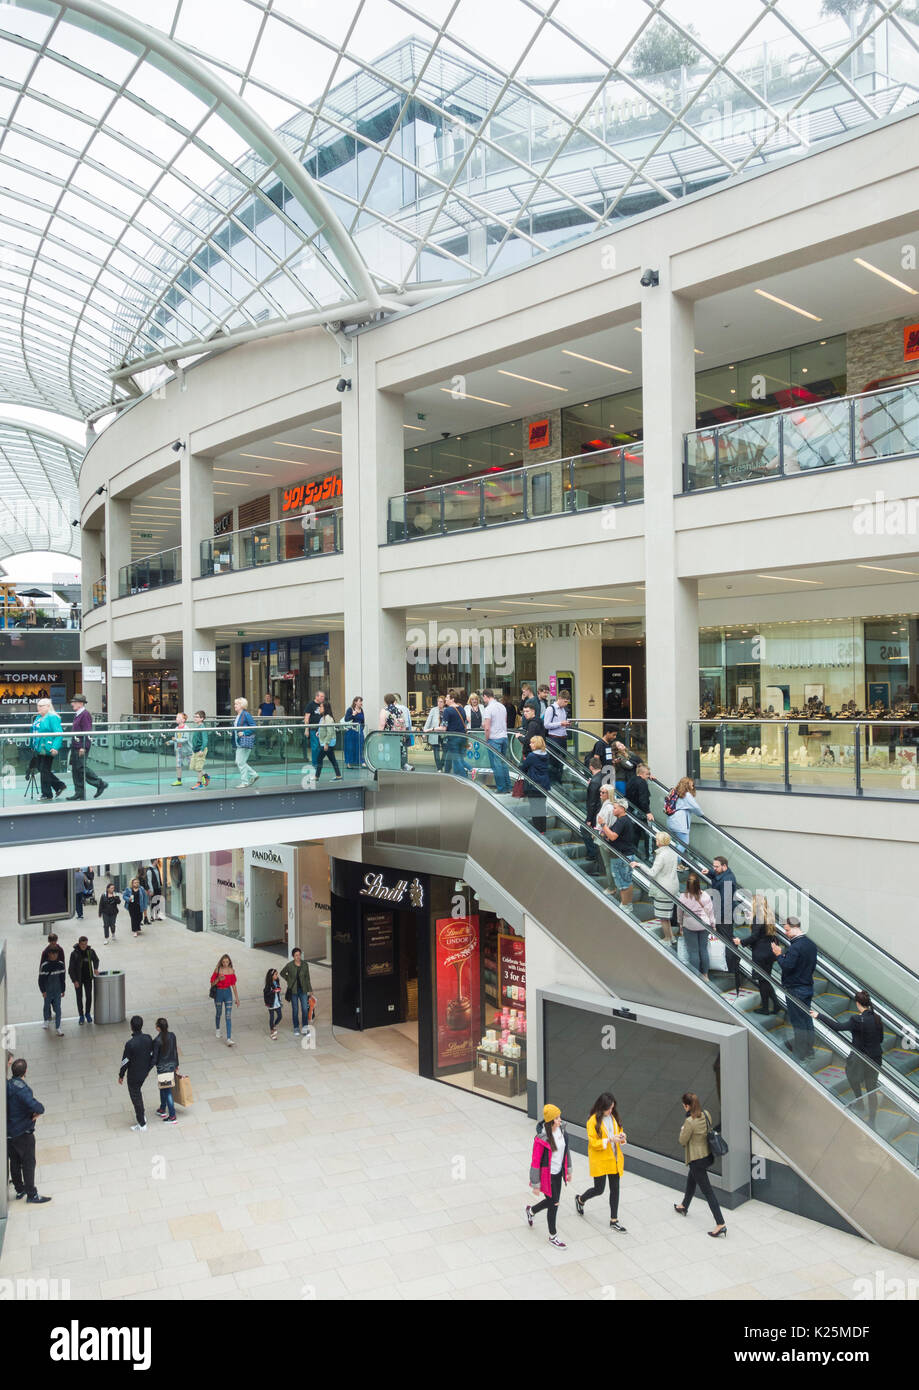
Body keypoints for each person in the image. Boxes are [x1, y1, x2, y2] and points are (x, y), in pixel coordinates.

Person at [815, 989, 883, 1126]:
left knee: (851, 1075)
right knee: (871, 1090)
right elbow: (880, 1039)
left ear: (857, 1003)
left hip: (861, 1058)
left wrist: (819, 1015)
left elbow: (837, 1026)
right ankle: (872, 1121)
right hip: (876, 1059)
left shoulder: (856, 1020)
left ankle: (859, 1103)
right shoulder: (877, 1018)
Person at [674, 1091, 726, 1237]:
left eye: (684, 1106)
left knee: (708, 1192)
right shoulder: (706, 1113)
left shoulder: (690, 1122)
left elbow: (682, 1141)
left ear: (687, 1106)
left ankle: (720, 1223)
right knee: (692, 1180)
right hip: (707, 1156)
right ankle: (684, 1206)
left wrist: (682, 1130)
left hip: (696, 1159)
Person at [574, 1092, 628, 1232]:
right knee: (599, 1189)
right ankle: (580, 1199)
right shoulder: (592, 1121)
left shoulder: (613, 1117)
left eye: (612, 1108)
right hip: (601, 1160)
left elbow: (619, 1131)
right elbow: (593, 1143)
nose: (611, 1111)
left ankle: (614, 1219)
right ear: (601, 1107)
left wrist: (622, 1136)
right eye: (609, 1108)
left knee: (615, 1189)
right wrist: (610, 1140)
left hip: (614, 1159)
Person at [773, 917, 818, 1060]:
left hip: (795, 989)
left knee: (798, 1023)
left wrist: (779, 955)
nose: (785, 933)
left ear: (795, 927)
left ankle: (799, 1053)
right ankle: (809, 1049)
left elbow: (787, 966)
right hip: (807, 987)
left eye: (787, 930)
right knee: (807, 1020)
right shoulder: (811, 944)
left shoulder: (795, 947)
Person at [6, 1058, 51, 1203]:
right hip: (23, 1132)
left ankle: (20, 1189)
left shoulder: (7, 1085)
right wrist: (37, 1112)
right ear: (25, 1071)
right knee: (28, 1163)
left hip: (9, 1132)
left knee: (14, 1161)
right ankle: (32, 1194)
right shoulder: (22, 1089)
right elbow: (37, 1107)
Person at [526, 1103, 571, 1248]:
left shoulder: (562, 1131)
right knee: (554, 1204)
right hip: (548, 1176)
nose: (560, 1120)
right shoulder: (541, 1139)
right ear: (551, 1121)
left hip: (558, 1173)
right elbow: (535, 1162)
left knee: (552, 1202)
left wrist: (568, 1170)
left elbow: (566, 1152)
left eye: (559, 1117)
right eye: (557, 1118)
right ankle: (553, 1236)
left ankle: (531, 1211)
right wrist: (535, 1184)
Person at [596, 791, 639, 905]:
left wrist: (603, 825)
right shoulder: (625, 821)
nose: (613, 810)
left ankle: (625, 905)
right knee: (627, 882)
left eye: (615, 808)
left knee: (623, 884)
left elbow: (613, 836)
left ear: (622, 808)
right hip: (626, 854)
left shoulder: (622, 821)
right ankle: (627, 905)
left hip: (621, 856)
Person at [709, 856, 742, 994]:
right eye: (713, 866)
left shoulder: (728, 880)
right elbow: (717, 878)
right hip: (725, 914)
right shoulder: (724, 875)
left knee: (727, 939)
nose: (714, 868)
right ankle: (733, 962)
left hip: (724, 915)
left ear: (724, 866)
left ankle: (732, 964)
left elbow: (725, 902)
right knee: (727, 937)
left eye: (716, 867)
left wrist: (716, 918)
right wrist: (709, 873)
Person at [66, 694, 107, 800]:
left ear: (80, 704)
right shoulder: (79, 714)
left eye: (74, 702)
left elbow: (87, 732)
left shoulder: (85, 714)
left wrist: (83, 747)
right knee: (76, 769)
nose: (72, 704)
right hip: (76, 745)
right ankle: (79, 792)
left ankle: (100, 783)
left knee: (80, 767)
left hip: (81, 746)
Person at [677, 871, 716, 979]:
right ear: (698, 884)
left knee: (693, 951)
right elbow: (710, 912)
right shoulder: (705, 896)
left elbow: (679, 913)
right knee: (703, 950)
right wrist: (713, 925)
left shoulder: (683, 897)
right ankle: (705, 975)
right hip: (704, 925)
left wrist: (681, 924)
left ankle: (696, 976)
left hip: (689, 926)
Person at [118, 1015, 154, 1131]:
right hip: (144, 1072)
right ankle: (141, 1115)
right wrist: (148, 1068)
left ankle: (142, 1123)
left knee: (135, 1097)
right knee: (137, 1093)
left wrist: (121, 1075)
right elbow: (151, 1054)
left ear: (131, 1027)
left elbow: (125, 1061)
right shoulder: (148, 1038)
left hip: (134, 1075)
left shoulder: (130, 1044)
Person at [747, 895, 780, 1015]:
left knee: (762, 982)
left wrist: (741, 942)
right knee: (765, 980)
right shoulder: (769, 916)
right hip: (769, 953)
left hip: (760, 954)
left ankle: (765, 1008)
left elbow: (754, 936)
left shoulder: (758, 918)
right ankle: (776, 1005)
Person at [647, 831, 680, 944]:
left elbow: (652, 873)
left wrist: (639, 865)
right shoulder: (673, 852)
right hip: (673, 887)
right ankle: (672, 937)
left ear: (660, 842)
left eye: (657, 839)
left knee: (663, 917)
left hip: (663, 889)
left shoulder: (661, 855)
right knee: (666, 916)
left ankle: (667, 938)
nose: (656, 841)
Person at [30, 696, 65, 800]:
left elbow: (59, 733)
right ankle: (58, 786)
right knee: (42, 769)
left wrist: (55, 747)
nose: (39, 708)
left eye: (41, 706)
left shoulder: (52, 717)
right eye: (38, 706)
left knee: (44, 770)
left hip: (48, 747)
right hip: (39, 747)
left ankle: (47, 794)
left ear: (48, 706)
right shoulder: (38, 717)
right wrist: (32, 745)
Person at [280, 947, 316, 1039]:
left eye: (299, 955)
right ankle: (296, 1027)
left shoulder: (305, 965)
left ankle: (305, 1028)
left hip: (303, 990)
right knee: (295, 1009)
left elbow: (307, 978)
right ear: (293, 956)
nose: (298, 957)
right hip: (293, 991)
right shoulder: (289, 965)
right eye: (296, 955)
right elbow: (282, 973)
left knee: (304, 1009)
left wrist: (310, 989)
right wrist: (289, 980)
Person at [519, 734, 551, 833]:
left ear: (536, 744)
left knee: (534, 808)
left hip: (534, 785)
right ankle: (543, 829)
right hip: (544, 784)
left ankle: (537, 830)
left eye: (532, 742)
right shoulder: (546, 754)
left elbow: (523, 768)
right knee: (541, 807)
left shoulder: (532, 756)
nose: (530, 744)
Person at [482, 688, 511, 794]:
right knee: (503, 763)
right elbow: (505, 722)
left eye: (483, 697)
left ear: (485, 696)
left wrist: (486, 739)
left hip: (494, 739)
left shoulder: (488, 709)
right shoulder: (502, 706)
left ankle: (501, 788)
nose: (483, 699)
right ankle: (508, 786)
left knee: (496, 765)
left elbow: (487, 727)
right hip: (504, 737)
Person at [624, 762, 655, 861]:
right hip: (641, 812)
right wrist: (648, 812)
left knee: (635, 834)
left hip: (632, 811)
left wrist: (648, 777)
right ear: (641, 774)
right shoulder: (642, 783)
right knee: (649, 835)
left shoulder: (632, 780)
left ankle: (634, 855)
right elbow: (643, 799)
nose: (648, 776)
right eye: (647, 774)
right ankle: (649, 858)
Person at [152, 1017, 180, 1123]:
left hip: (162, 1069)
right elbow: (175, 1051)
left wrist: (147, 1068)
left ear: (158, 1028)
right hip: (171, 1066)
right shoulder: (172, 1036)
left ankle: (172, 1116)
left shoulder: (157, 1041)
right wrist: (176, 1064)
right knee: (163, 1089)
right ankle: (162, 1108)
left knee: (167, 1091)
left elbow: (154, 1058)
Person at [210, 954, 240, 1047]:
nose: (225, 963)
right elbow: (212, 984)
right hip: (218, 993)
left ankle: (228, 1038)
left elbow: (234, 985)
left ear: (229, 962)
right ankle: (218, 1029)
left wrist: (237, 998)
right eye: (223, 962)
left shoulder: (231, 971)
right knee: (219, 1013)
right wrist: (218, 978)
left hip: (228, 993)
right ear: (221, 962)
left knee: (228, 1015)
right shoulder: (217, 970)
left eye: (227, 962)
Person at [68, 935, 99, 1024]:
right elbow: (71, 969)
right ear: (79, 944)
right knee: (79, 997)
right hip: (78, 979)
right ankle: (81, 1015)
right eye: (82, 944)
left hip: (88, 978)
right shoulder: (74, 954)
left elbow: (96, 960)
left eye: (85, 944)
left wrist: (95, 968)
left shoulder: (90, 952)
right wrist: (74, 981)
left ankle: (87, 1013)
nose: (84, 946)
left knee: (89, 996)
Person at [438, 690, 468, 778]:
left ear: (452, 699)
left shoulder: (448, 710)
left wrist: (430, 729)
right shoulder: (461, 708)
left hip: (453, 738)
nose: (445, 700)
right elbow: (465, 722)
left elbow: (443, 727)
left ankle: (467, 775)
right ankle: (447, 775)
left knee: (457, 760)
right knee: (450, 757)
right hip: (462, 737)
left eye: (447, 698)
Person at [666, 777, 702, 849]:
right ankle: (676, 859)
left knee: (673, 843)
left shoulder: (673, 792)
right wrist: (701, 814)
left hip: (671, 821)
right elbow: (696, 808)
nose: (693, 787)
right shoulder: (687, 795)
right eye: (692, 785)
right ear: (687, 786)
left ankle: (672, 858)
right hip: (680, 823)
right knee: (684, 843)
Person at [580, 755, 605, 862]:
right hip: (603, 810)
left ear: (590, 767)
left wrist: (589, 819)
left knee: (584, 830)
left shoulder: (594, 781)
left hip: (596, 813)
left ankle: (593, 854)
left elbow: (592, 802)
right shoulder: (604, 777)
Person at [38, 944, 66, 1035]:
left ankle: (58, 1027)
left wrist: (63, 990)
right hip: (48, 991)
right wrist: (43, 991)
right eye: (52, 954)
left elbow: (63, 978)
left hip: (57, 991)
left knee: (58, 1009)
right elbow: (40, 979)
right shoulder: (44, 966)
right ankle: (46, 1020)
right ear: (49, 954)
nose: (54, 956)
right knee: (46, 1006)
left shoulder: (61, 965)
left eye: (56, 954)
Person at [543, 691, 570, 781]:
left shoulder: (563, 710)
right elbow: (546, 725)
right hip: (554, 738)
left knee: (562, 762)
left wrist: (565, 724)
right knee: (553, 762)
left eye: (567, 702)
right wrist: (560, 723)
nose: (566, 704)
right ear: (560, 698)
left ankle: (559, 781)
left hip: (563, 738)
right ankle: (552, 782)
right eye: (565, 701)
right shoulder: (551, 709)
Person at [232, 696, 259, 787]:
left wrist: (244, 732)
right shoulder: (239, 715)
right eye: (235, 704)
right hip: (239, 742)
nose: (235, 705)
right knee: (239, 762)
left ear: (242, 705)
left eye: (237, 704)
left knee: (240, 762)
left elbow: (253, 727)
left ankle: (245, 782)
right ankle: (253, 774)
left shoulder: (246, 714)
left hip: (244, 741)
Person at [315, 706, 343, 781]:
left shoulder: (328, 718)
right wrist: (318, 732)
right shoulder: (322, 718)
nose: (319, 709)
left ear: (325, 708)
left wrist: (326, 743)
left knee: (319, 758)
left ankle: (316, 777)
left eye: (321, 707)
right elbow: (322, 728)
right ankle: (338, 776)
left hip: (327, 743)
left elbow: (330, 732)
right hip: (325, 742)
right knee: (332, 760)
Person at [303, 691, 327, 767]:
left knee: (321, 746)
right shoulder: (310, 705)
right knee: (315, 746)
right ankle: (315, 763)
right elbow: (307, 717)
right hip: (313, 728)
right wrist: (306, 729)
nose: (323, 698)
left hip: (322, 729)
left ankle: (319, 761)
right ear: (317, 697)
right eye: (321, 696)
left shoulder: (323, 705)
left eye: (323, 696)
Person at [423, 695, 446, 771]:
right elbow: (428, 721)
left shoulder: (447, 710)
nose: (439, 703)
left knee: (445, 750)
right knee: (436, 750)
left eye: (441, 702)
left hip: (445, 733)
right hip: (435, 733)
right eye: (438, 701)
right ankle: (439, 768)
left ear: (444, 703)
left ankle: (441, 764)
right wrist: (425, 731)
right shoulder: (433, 710)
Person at [189, 709, 210, 789]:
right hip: (195, 750)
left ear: (202, 718)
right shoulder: (197, 726)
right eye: (195, 717)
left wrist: (202, 749)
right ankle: (206, 776)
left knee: (198, 767)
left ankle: (199, 783)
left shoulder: (202, 727)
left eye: (197, 717)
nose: (195, 718)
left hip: (201, 750)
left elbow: (205, 739)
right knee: (193, 767)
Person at [169, 711, 189, 786]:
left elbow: (185, 739)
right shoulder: (176, 728)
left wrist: (176, 740)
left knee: (192, 765)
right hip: (179, 749)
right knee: (178, 765)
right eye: (176, 717)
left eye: (178, 717)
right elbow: (176, 739)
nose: (176, 718)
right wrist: (171, 742)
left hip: (186, 750)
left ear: (183, 720)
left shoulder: (186, 728)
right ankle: (179, 780)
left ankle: (203, 776)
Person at [344, 695, 365, 769]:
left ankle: (360, 761)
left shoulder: (361, 710)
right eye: (360, 701)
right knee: (350, 747)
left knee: (360, 746)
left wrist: (362, 728)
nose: (361, 703)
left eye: (361, 701)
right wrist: (353, 715)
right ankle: (349, 763)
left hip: (359, 731)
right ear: (355, 702)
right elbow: (346, 719)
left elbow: (363, 721)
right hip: (351, 731)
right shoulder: (350, 709)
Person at [264, 967, 283, 1040]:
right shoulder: (268, 985)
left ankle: (273, 1025)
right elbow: (266, 993)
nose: (276, 976)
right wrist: (273, 991)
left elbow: (278, 989)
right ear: (271, 976)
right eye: (275, 975)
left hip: (277, 1002)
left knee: (280, 1016)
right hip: (271, 1003)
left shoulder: (277, 982)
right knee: (271, 1017)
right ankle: (272, 1031)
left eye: (277, 974)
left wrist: (278, 989)